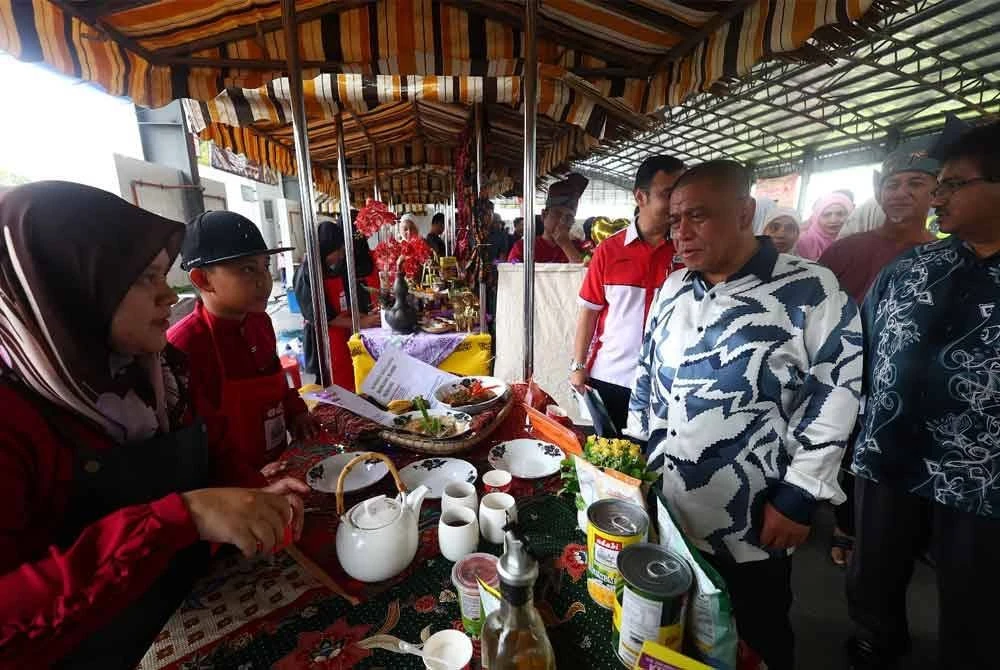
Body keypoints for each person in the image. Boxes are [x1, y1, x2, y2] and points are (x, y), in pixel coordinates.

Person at [0, 181, 308, 668]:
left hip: (188, 615)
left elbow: (216, 448)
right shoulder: (14, 422)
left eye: (163, 275)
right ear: (69, 286)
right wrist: (180, 517)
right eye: (144, 278)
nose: (169, 295)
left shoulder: (162, 371)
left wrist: (252, 492)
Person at [627, 161, 862, 670]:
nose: (681, 233)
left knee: (758, 631)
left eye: (698, 217)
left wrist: (800, 494)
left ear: (745, 213)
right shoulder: (673, 289)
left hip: (754, 513)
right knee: (679, 625)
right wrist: (634, 461)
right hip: (668, 504)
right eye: (674, 220)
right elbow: (646, 377)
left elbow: (837, 394)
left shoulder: (810, 290)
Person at [846, 122, 1000, 670]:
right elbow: (858, 350)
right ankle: (874, 639)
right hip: (889, 455)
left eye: (954, 184)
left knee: (977, 598)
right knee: (875, 572)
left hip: (982, 478)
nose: (938, 196)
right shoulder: (910, 269)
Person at [817, 151, 939, 568]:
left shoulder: (948, 258)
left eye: (916, 184)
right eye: (893, 184)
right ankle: (845, 527)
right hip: (850, 374)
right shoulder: (846, 251)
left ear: (936, 192)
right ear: (878, 191)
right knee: (848, 451)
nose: (902, 193)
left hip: (913, 384)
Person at [168, 211, 320, 487]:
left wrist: (296, 411)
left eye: (265, 266)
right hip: (232, 489)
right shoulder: (184, 345)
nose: (265, 280)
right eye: (248, 269)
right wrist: (245, 479)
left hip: (278, 463)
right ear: (203, 279)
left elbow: (276, 383)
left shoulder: (259, 322)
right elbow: (198, 446)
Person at [571, 155, 685, 431]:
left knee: (652, 463)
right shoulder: (609, 250)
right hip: (612, 377)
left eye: (680, 194)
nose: (676, 204)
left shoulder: (688, 251)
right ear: (640, 197)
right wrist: (577, 366)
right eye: (667, 194)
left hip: (669, 381)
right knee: (607, 460)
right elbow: (589, 312)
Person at [293, 220, 380, 391]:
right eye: (338, 250)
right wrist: (360, 323)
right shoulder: (308, 274)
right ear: (326, 248)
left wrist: (364, 316)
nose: (341, 255)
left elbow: (343, 306)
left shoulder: (333, 269)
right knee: (333, 385)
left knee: (349, 380)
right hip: (324, 339)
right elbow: (324, 317)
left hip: (342, 334)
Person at [507, 174, 589, 263]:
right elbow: (512, 273)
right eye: (557, 214)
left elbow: (587, 274)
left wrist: (566, 245)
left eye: (569, 218)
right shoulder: (523, 247)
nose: (562, 222)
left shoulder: (579, 247)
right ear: (544, 215)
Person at [795, 192, 855, 260]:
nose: (833, 220)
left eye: (840, 214)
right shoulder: (804, 241)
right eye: (827, 214)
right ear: (817, 217)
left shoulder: (855, 239)